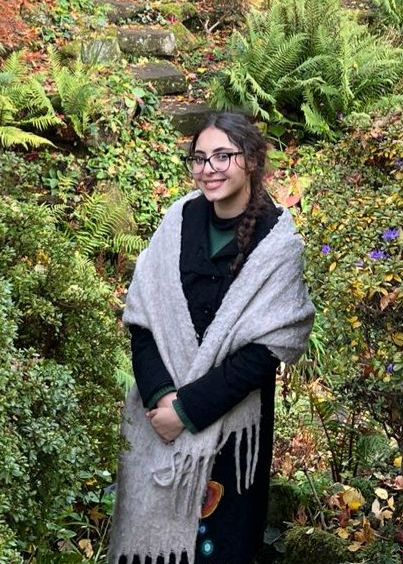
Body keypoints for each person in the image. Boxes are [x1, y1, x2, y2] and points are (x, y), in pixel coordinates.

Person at [109, 112, 314, 564]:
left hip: (230, 425)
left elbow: (267, 349)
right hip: (155, 416)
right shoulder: (177, 221)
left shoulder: (277, 243)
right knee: (148, 541)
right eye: (200, 158)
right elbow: (143, 318)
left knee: (220, 543)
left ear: (252, 161)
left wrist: (187, 409)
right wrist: (163, 399)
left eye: (224, 156)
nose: (209, 168)